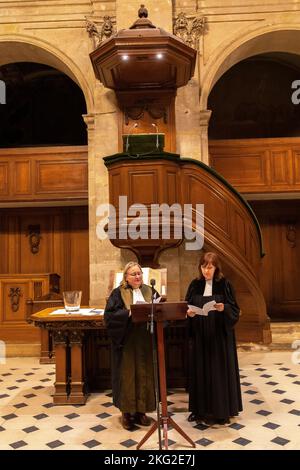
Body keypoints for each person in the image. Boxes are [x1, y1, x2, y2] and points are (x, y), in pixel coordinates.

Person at [185, 251, 243, 426]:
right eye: (203, 267)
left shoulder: (224, 284)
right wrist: (189, 313)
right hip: (201, 336)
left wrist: (223, 308)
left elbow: (234, 309)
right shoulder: (195, 285)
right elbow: (186, 305)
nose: (206, 271)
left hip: (219, 337)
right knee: (200, 371)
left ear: (216, 267)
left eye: (210, 267)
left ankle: (221, 411)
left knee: (218, 372)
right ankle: (199, 410)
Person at [104, 261, 157, 430]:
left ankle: (141, 412)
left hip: (145, 340)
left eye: (139, 273)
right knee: (127, 376)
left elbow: (160, 309)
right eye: (133, 274)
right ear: (126, 277)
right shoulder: (118, 293)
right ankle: (126, 413)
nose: (137, 277)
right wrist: (128, 313)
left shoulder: (149, 291)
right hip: (126, 340)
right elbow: (110, 316)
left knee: (144, 374)